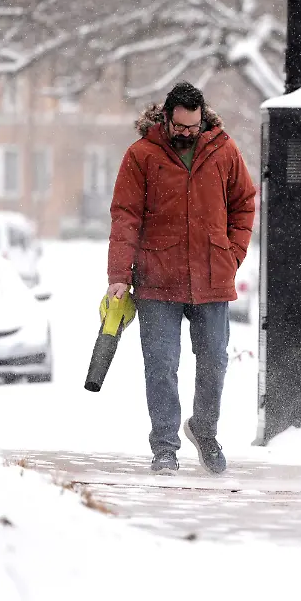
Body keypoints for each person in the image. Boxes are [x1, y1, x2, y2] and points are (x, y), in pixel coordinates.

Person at [106, 82, 256, 475]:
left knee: (213, 361)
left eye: (194, 125)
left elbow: (244, 204)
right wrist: (119, 275)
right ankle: (165, 447)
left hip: (212, 276)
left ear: (202, 117)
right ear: (167, 117)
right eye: (180, 126)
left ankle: (204, 431)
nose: (187, 133)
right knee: (161, 364)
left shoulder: (223, 150)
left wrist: (233, 253)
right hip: (157, 278)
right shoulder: (142, 155)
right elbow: (125, 217)